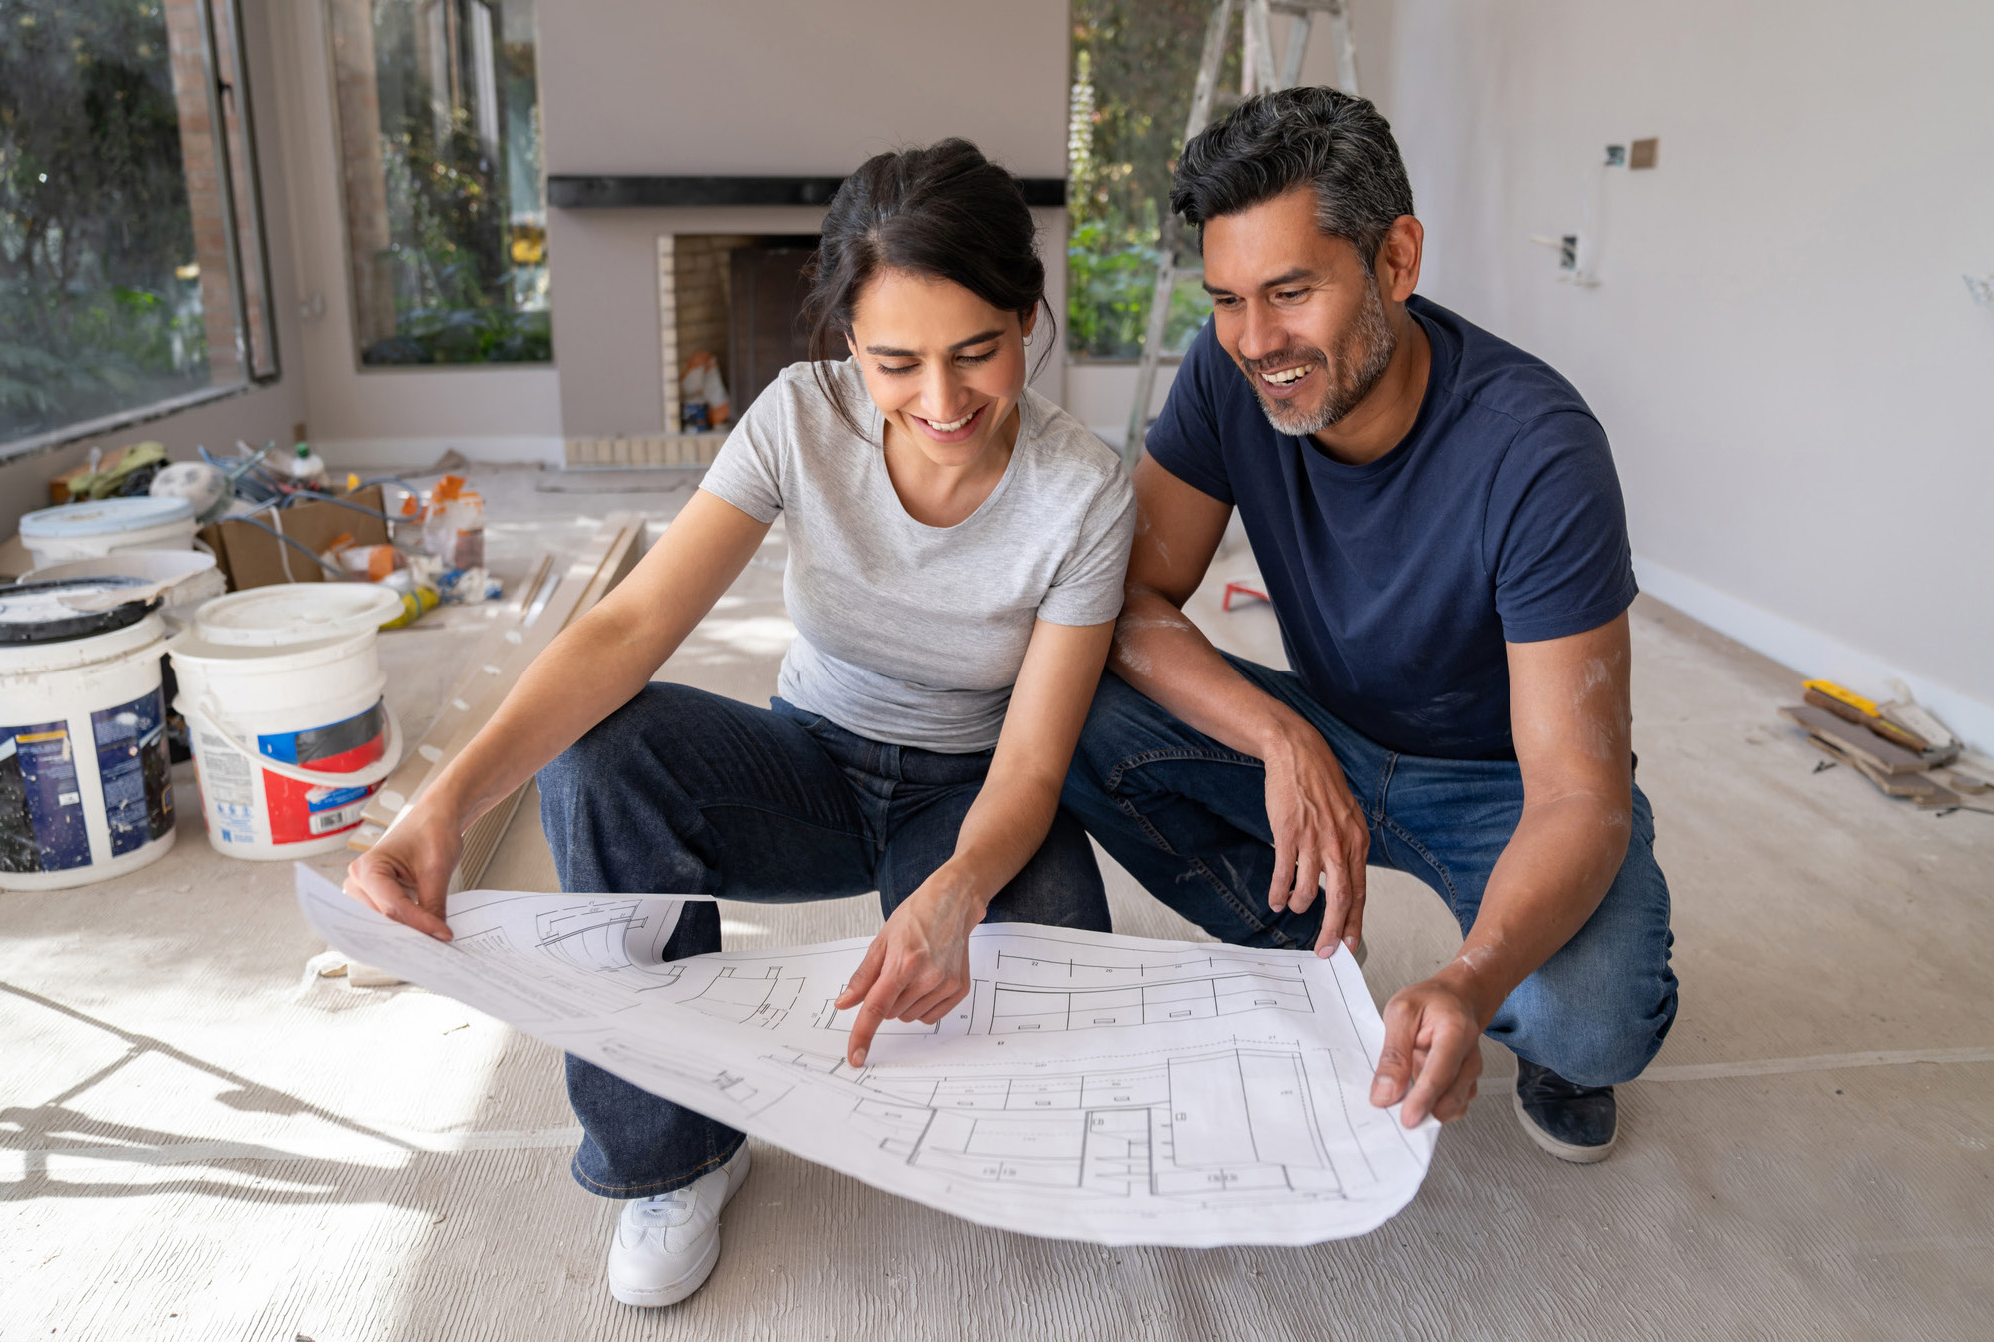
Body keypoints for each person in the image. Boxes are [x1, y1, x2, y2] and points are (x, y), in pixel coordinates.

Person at [345, 139, 1135, 1307]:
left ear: (1027, 316)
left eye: (977, 352)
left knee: (1051, 1020)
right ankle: (674, 1156)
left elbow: (1030, 763)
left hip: (972, 794)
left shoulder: (1084, 488)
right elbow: (626, 631)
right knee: (602, 750)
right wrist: (442, 806)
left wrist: (958, 893)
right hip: (805, 766)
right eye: (894, 362)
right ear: (845, 342)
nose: (940, 402)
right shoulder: (795, 420)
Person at [1061, 87, 1678, 1165]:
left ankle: (1520, 1022)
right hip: (1331, 730)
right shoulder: (1222, 373)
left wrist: (1469, 975)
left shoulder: (1536, 451)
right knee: (1061, 693)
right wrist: (1277, 735)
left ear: (1395, 260)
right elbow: (1127, 603)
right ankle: (1302, 952)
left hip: (1504, 779)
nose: (1256, 342)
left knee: (1594, 1022)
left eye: (1290, 292)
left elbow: (1579, 793)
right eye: (1226, 299)